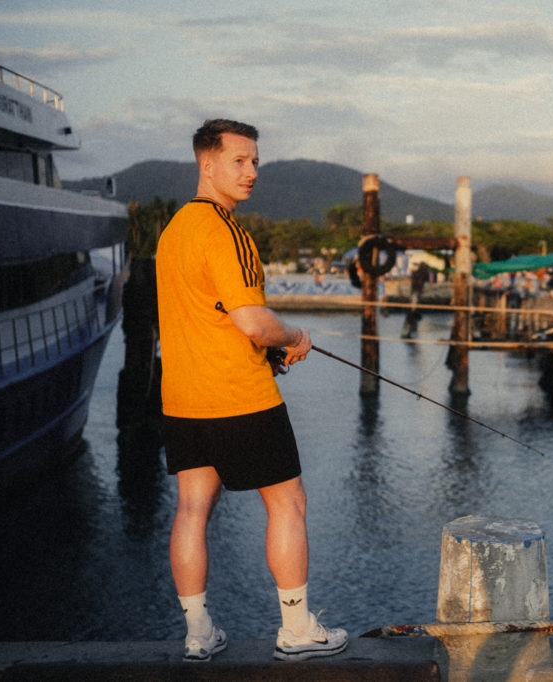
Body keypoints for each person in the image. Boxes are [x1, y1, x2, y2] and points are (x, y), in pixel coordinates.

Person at [156, 119, 347, 663]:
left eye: (255, 161)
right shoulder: (227, 231)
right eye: (239, 161)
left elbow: (209, 319)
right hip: (240, 397)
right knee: (288, 502)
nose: (252, 172)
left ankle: (198, 634)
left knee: (192, 508)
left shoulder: (173, 232)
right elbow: (254, 323)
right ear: (207, 164)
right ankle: (297, 629)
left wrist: (262, 348)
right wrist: (294, 338)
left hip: (182, 400)